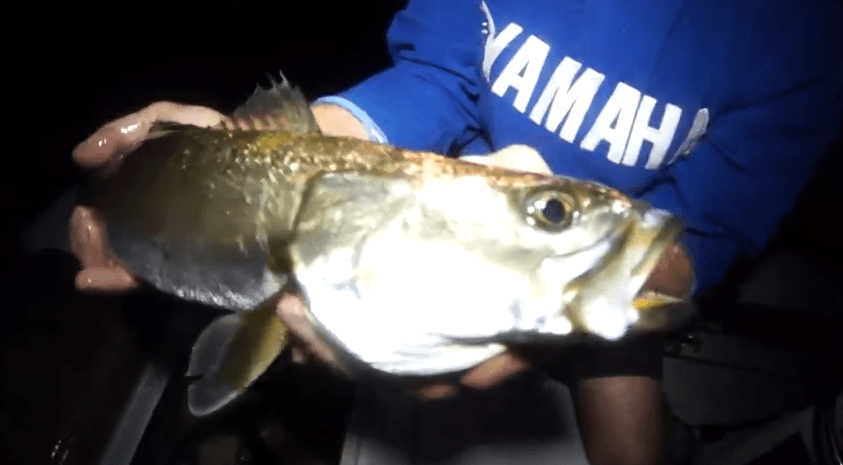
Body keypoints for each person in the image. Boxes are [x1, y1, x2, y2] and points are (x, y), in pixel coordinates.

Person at [71, 0, 843, 463]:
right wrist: (259, 154)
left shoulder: (810, 35)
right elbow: (435, 78)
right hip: (468, 226)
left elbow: (703, 232)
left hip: (588, 271)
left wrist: (621, 286)